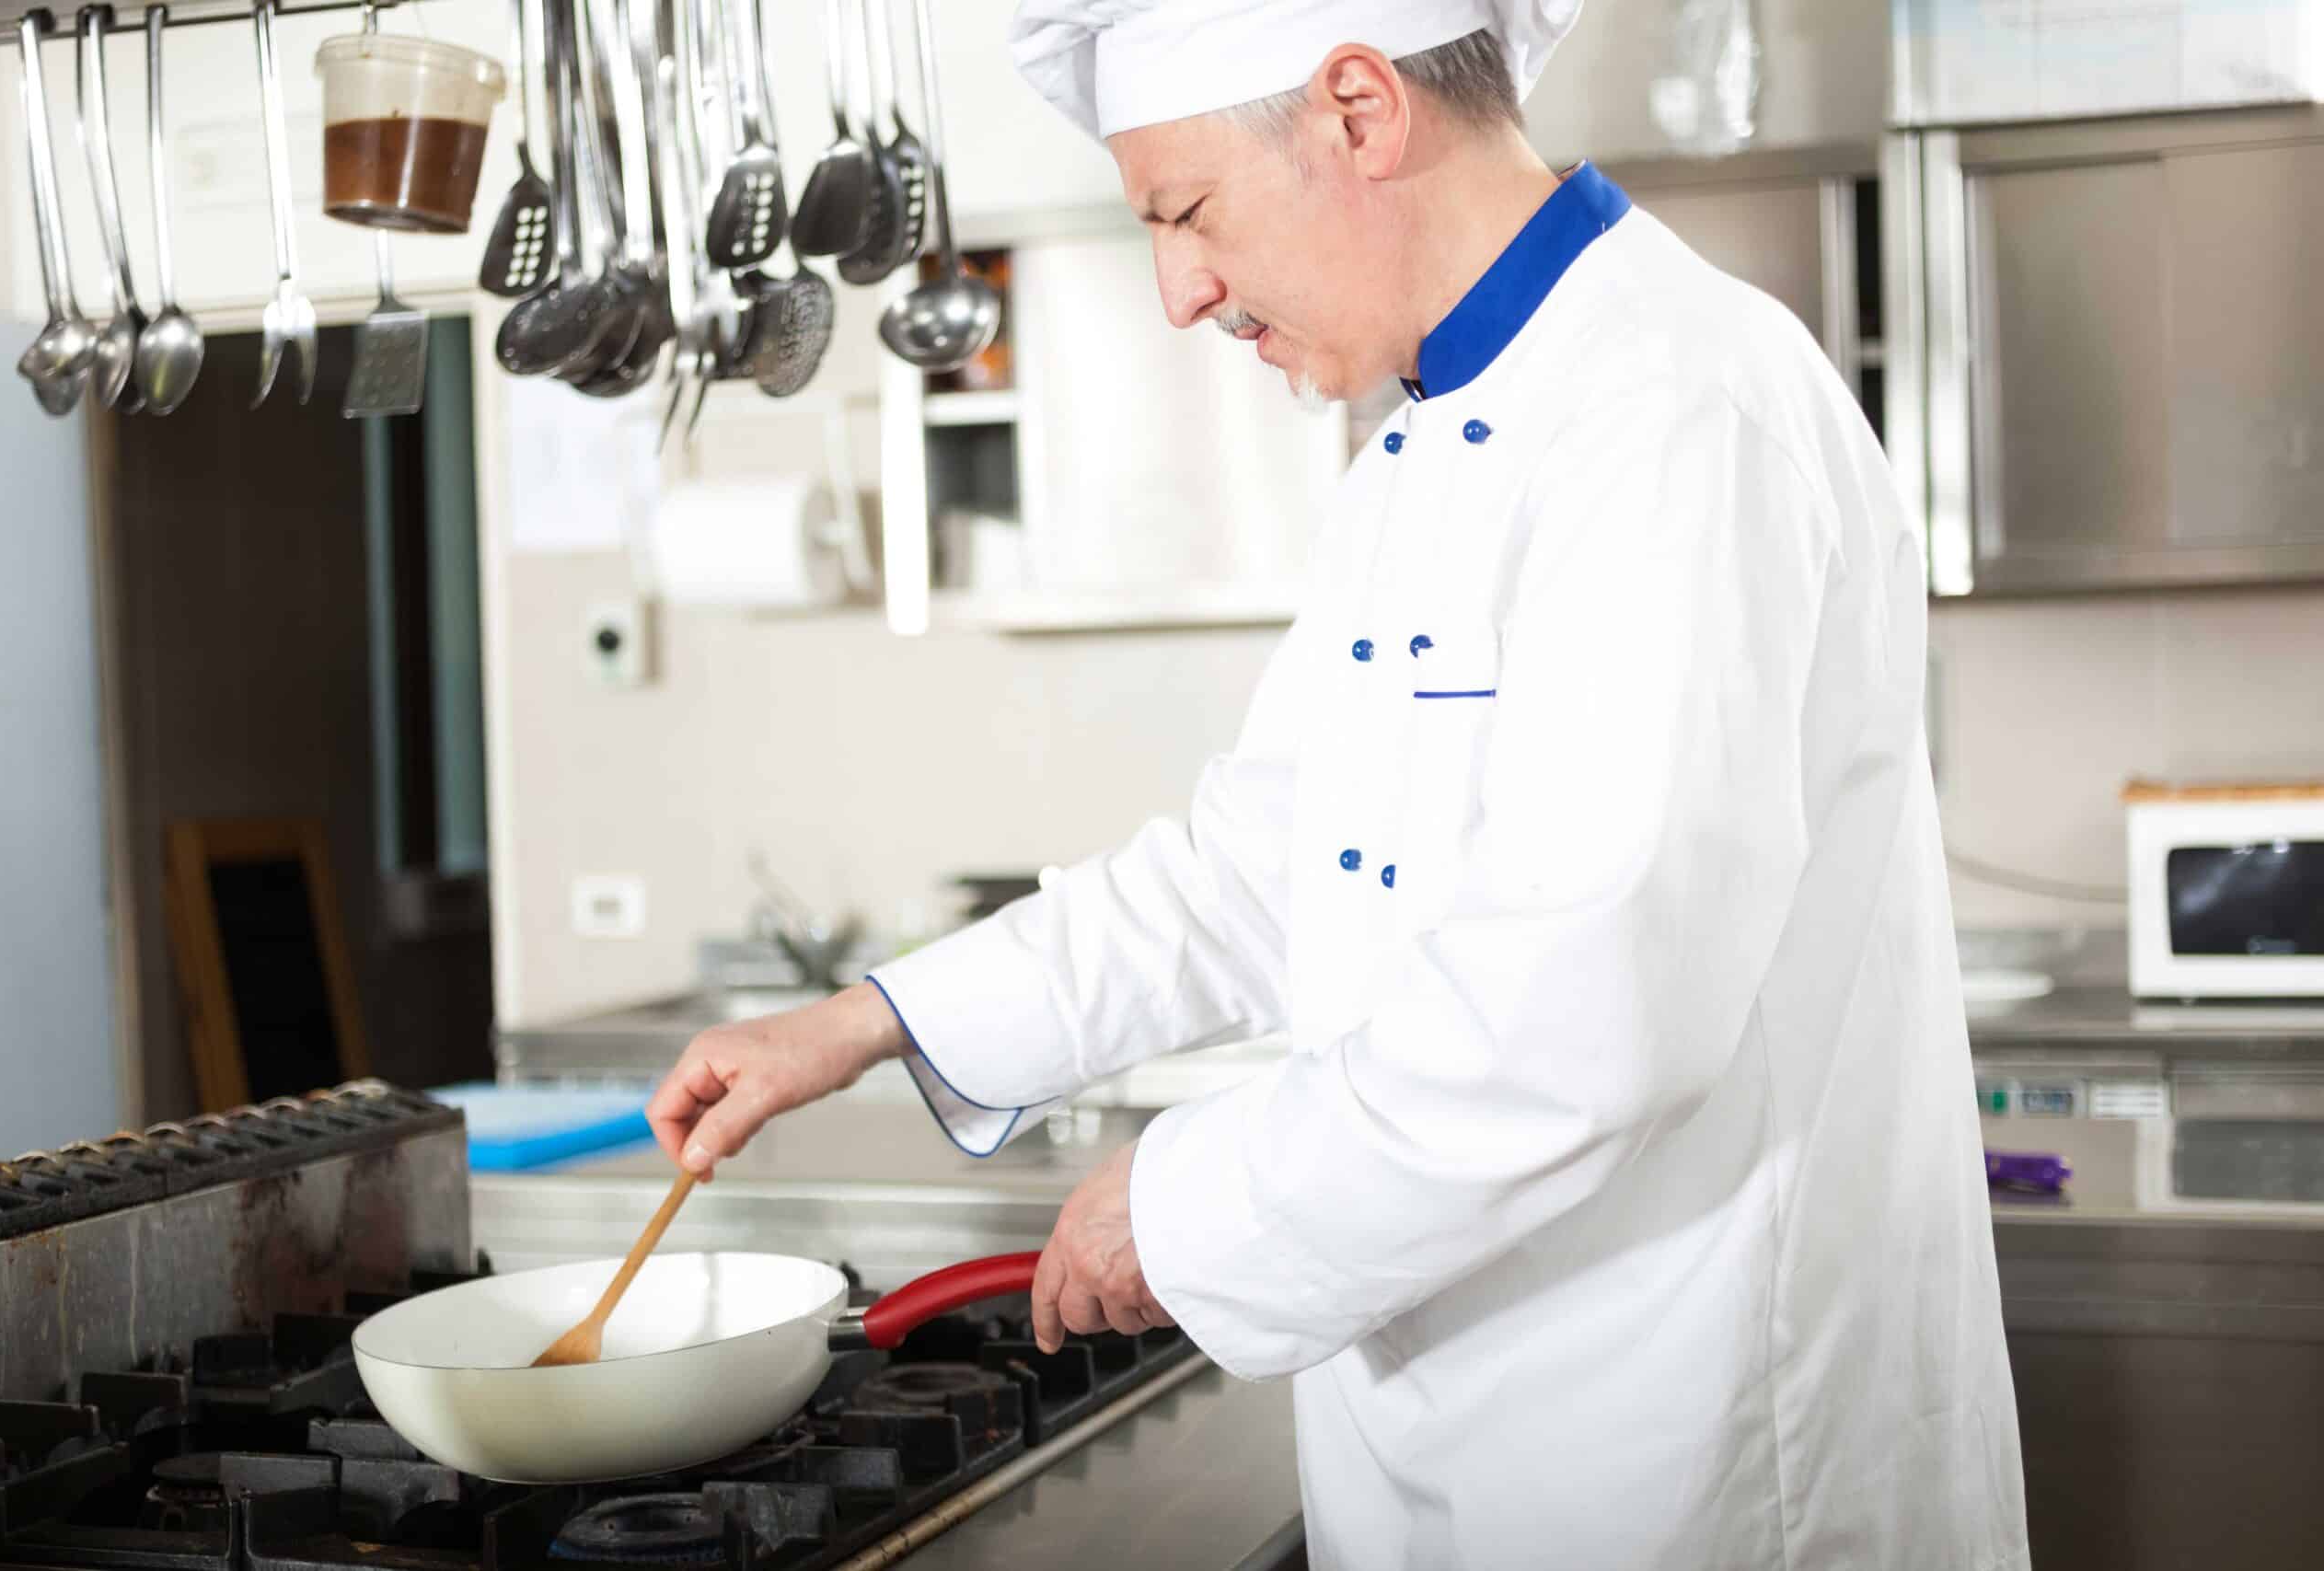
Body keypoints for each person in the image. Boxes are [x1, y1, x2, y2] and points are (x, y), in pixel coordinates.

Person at [650, 2, 2029, 1565]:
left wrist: (1181, 1209)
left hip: (1690, 1441)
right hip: (1456, 1424)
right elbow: (1257, 864)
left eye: (1184, 212)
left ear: (1361, 111)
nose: (1180, 293)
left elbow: (1586, 1013)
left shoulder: (1677, 408)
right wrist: (863, 1022)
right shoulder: (1420, 449)